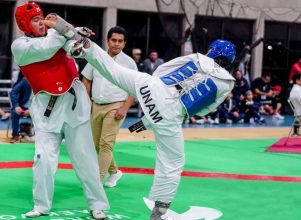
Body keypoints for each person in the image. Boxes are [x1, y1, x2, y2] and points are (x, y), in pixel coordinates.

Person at [45, 13, 235, 220]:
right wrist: (164, 111)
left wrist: (153, 91)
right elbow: (205, 109)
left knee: (111, 68)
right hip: (169, 115)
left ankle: (76, 37)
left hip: (152, 87)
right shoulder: (228, 82)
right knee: (172, 163)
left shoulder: (198, 58)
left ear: (212, 51)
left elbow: (164, 69)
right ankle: (158, 212)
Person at [10, 2, 109, 219]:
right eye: (36, 20)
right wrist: (65, 29)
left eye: (42, 17)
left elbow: (74, 48)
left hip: (74, 104)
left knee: (86, 159)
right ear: (24, 25)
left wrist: (75, 36)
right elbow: (46, 48)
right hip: (47, 110)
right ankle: (41, 206)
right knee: (43, 160)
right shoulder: (20, 46)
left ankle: (97, 205)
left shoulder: (56, 36)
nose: (42, 23)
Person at [82, 26, 137, 187]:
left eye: (120, 41)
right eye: (114, 40)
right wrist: (88, 102)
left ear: (124, 43)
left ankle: (96, 183)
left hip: (116, 106)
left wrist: (124, 108)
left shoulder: (129, 63)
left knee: (106, 144)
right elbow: (86, 79)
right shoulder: (96, 57)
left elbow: (134, 88)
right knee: (96, 144)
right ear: (107, 41)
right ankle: (114, 172)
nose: (116, 44)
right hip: (96, 105)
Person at [9, 74, 32, 143]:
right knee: (15, 113)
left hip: (35, 108)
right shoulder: (25, 80)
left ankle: (41, 136)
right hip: (23, 107)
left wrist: (31, 111)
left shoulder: (43, 83)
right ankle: (15, 135)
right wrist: (16, 106)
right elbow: (13, 92)